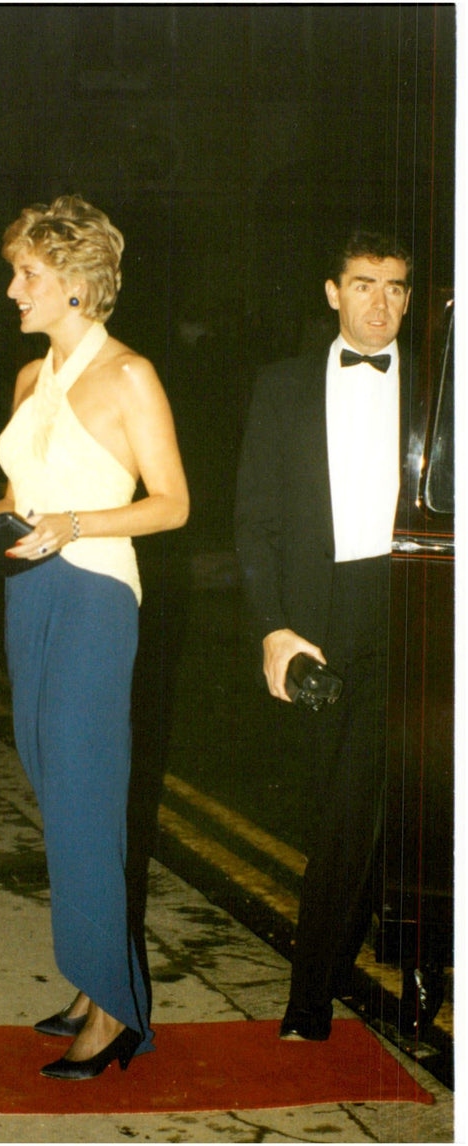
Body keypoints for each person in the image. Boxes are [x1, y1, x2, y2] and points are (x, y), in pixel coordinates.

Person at [0, 195, 189, 1079]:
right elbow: (21, 494)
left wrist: (75, 524)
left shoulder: (131, 376)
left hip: (97, 599)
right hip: (30, 597)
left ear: (74, 281)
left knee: (89, 793)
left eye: (29, 273)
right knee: (55, 783)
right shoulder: (32, 378)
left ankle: (114, 1015)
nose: (14, 288)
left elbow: (171, 505)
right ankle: (99, 984)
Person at [234, 230, 412, 1041]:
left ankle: (350, 977)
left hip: (418, 605)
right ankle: (323, 982)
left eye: (397, 287)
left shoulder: (446, 386)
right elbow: (255, 521)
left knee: (390, 804)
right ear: (333, 293)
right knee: (338, 807)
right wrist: (274, 627)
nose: (382, 303)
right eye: (365, 284)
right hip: (326, 612)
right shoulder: (283, 386)